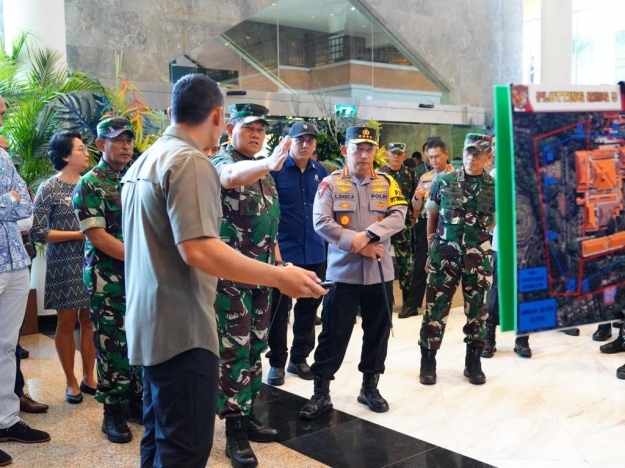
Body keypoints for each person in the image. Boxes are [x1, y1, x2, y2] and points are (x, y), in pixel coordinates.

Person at [122, 76, 325, 468]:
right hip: (184, 330)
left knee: (158, 440)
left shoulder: (148, 159)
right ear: (219, 117)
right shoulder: (190, 161)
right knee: (184, 450)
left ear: (172, 113)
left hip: (151, 323)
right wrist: (280, 276)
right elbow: (199, 248)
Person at [211, 103, 325, 468]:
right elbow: (229, 177)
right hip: (230, 280)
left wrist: (278, 263)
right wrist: (266, 163)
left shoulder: (265, 175)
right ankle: (234, 434)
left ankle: (247, 416)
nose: (257, 135)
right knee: (233, 352)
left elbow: (269, 223)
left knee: (255, 348)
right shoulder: (221, 162)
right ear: (231, 129)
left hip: (262, 278)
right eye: (249, 129)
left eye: (261, 129)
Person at [299, 126, 408, 421]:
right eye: (357, 148)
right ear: (346, 150)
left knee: (378, 332)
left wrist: (368, 236)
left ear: (375, 152)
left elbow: (399, 215)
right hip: (342, 274)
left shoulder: (387, 182)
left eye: (369, 149)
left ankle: (369, 387)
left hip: (379, 273)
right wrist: (357, 245)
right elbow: (321, 221)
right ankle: (321, 392)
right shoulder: (330, 184)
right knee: (333, 333)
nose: (363, 154)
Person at [73, 117, 142, 444]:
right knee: (112, 343)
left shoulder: (137, 177)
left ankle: (133, 400)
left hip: (141, 277)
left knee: (140, 339)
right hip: (108, 279)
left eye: (128, 140)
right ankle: (112, 411)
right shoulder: (90, 183)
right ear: (100, 145)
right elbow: (98, 236)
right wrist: (143, 257)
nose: (126, 145)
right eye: (118, 140)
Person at [418, 133, 495, 386]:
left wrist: (480, 241)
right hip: (444, 254)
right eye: (468, 152)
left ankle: (473, 362)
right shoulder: (444, 180)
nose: (472, 157)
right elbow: (432, 213)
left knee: (477, 311)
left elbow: (494, 219)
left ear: (488, 156)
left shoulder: (493, 186)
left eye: (478, 153)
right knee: (435, 308)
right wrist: (432, 241)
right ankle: (428, 360)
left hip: (478, 257)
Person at [0, 95, 51, 467]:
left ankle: (5, 420)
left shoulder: (3, 156)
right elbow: (13, 203)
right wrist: (9, 200)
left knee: (6, 348)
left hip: (16, 263)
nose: (3, 112)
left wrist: (10, 201)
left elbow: (27, 209)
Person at [30, 131, 97, 403]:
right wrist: (77, 235)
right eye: (80, 149)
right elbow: (38, 231)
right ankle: (70, 381)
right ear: (66, 156)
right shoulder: (50, 188)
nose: (86, 153)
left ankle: (89, 376)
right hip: (63, 262)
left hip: (91, 260)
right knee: (67, 321)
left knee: (90, 320)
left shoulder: (90, 184)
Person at [266, 121, 329, 386]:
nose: (305, 145)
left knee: (308, 310)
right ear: (288, 141)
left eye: (309, 141)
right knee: (279, 312)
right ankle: (277, 362)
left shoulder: (322, 172)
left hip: (315, 251)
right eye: (299, 140)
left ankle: (299, 359)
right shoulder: (275, 171)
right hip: (284, 254)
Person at [482, 136, 532, 358]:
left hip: (526, 242)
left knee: (524, 289)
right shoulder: (491, 176)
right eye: (494, 146)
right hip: (501, 242)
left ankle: (522, 340)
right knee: (497, 290)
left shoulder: (527, 173)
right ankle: (489, 338)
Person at [400, 139, 453, 319]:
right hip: (425, 222)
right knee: (421, 263)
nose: (434, 160)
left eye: (437, 156)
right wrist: (416, 197)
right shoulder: (425, 177)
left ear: (446, 154)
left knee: (448, 264)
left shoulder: (456, 175)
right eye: (430, 158)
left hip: (448, 223)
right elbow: (416, 206)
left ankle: (442, 303)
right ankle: (413, 304)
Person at [378, 142, 416, 316]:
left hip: (403, 226)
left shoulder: (410, 175)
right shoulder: (379, 174)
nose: (396, 156)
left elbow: (415, 199)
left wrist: (413, 218)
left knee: (405, 264)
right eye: (393, 153)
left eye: (399, 154)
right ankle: (383, 301)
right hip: (381, 225)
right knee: (379, 260)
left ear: (404, 156)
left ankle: (409, 303)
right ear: (388, 155)